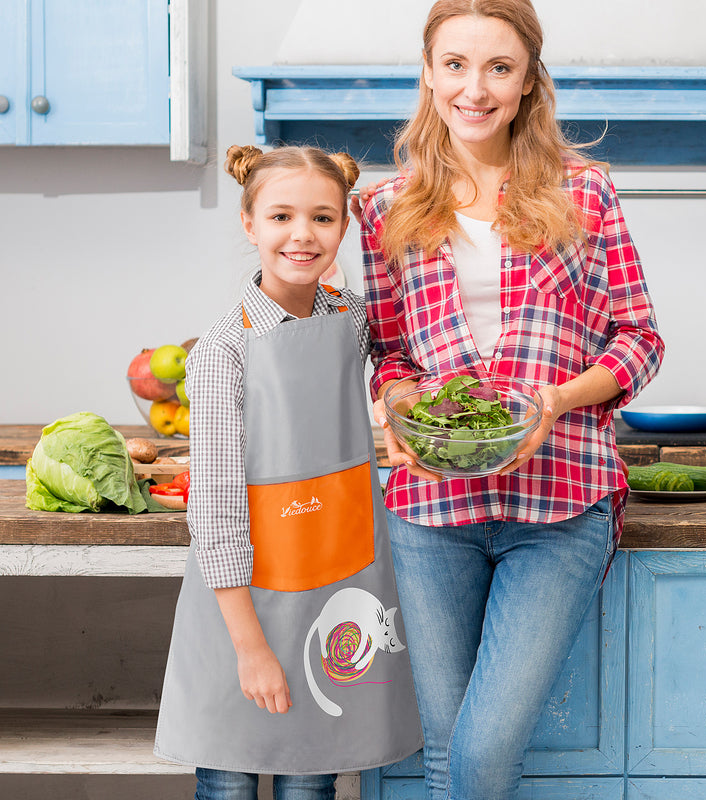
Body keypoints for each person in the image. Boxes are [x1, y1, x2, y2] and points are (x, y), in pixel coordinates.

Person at [357, 1, 666, 798]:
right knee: (443, 755)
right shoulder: (385, 207)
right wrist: (393, 406)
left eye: (499, 67)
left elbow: (639, 339)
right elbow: (389, 352)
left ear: (529, 82)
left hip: (559, 504)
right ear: (429, 74)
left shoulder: (585, 193)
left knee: (482, 753)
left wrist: (556, 402)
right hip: (430, 510)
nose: (475, 88)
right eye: (455, 64)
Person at [154, 144, 422, 800]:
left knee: (312, 783)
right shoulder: (221, 351)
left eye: (323, 218)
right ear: (250, 225)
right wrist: (249, 648)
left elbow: (403, 366)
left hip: (329, 590)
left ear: (346, 228)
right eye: (280, 217)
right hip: (239, 605)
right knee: (229, 779)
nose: (302, 234)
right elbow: (215, 510)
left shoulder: (355, 321)